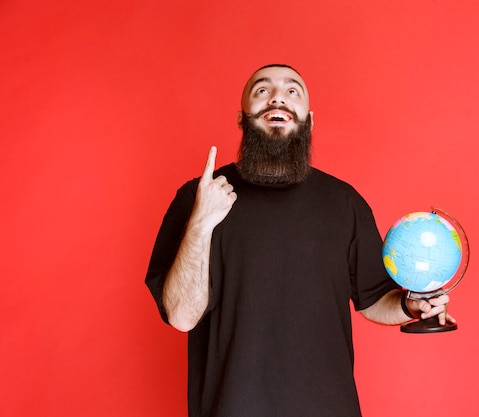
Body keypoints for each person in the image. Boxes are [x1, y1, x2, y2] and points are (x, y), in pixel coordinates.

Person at [145, 64, 455, 417]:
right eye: (262, 90)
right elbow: (182, 317)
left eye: (293, 91)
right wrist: (200, 222)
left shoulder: (344, 202)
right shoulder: (197, 196)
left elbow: (372, 300)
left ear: (309, 119)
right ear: (241, 117)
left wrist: (409, 306)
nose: (278, 96)